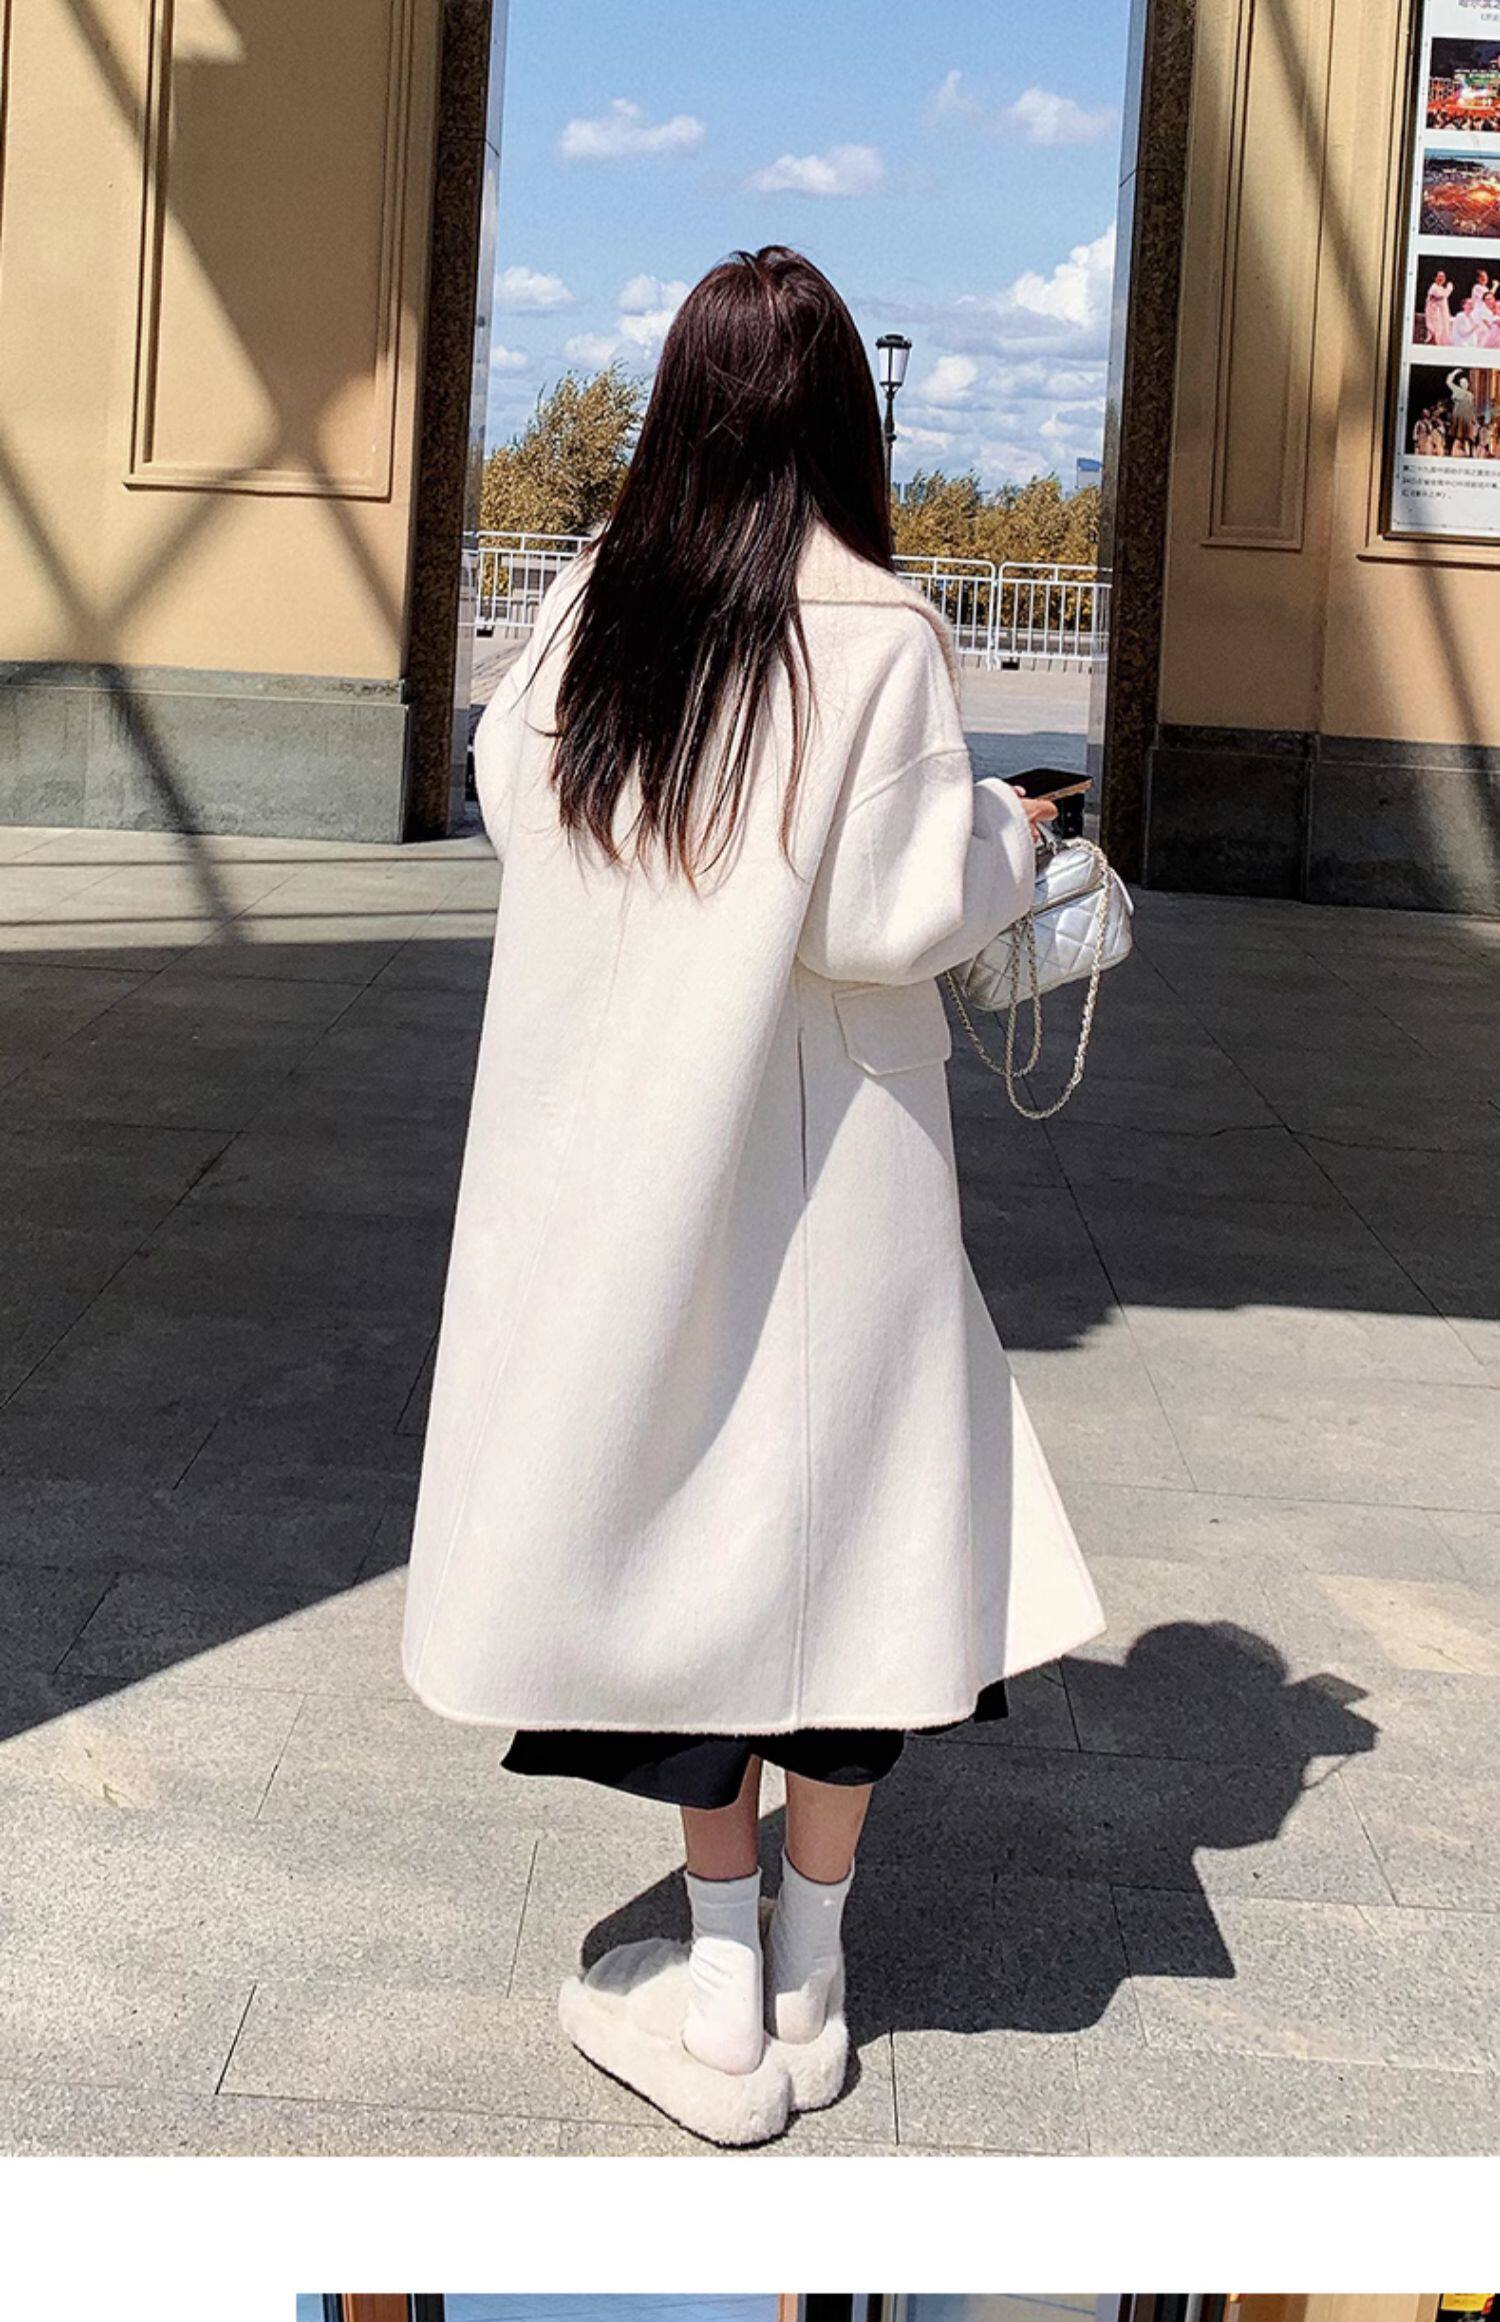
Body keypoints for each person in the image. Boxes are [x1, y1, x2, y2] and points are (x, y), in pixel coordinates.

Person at [400, 246, 1104, 2147]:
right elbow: (889, 910)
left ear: (678, 408)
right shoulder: (879, 632)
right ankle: (812, 1973)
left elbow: (514, 798)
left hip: (627, 1161)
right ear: (845, 417)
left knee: (672, 1548)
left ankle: (718, 1973)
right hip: (831, 1177)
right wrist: (1008, 829)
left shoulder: (593, 609)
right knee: (853, 1562)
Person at [1424, 268, 1453, 344]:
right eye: (1439, 276)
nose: (1441, 278)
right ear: (1435, 278)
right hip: (1435, 316)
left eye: (1443, 277)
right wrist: (1449, 289)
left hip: (1442, 315)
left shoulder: (1441, 288)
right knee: (1436, 333)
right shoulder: (1434, 287)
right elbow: (1442, 295)